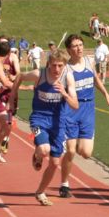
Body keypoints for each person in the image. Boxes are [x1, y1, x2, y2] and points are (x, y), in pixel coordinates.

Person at [9, 50, 79, 206]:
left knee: (55, 163)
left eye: (60, 66)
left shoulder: (68, 78)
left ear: (65, 65)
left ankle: (40, 192)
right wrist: (13, 97)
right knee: (44, 149)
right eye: (54, 65)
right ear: (49, 64)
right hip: (38, 119)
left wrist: (65, 94)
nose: (57, 69)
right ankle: (38, 154)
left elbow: (75, 105)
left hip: (58, 124)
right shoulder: (39, 74)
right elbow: (20, 76)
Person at [59, 34, 109, 198]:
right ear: (69, 50)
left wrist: (106, 95)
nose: (79, 48)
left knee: (85, 153)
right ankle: (64, 184)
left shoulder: (89, 61)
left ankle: (75, 142)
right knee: (70, 151)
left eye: (81, 45)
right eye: (75, 46)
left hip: (88, 109)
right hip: (71, 110)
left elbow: (96, 79)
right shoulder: (65, 69)